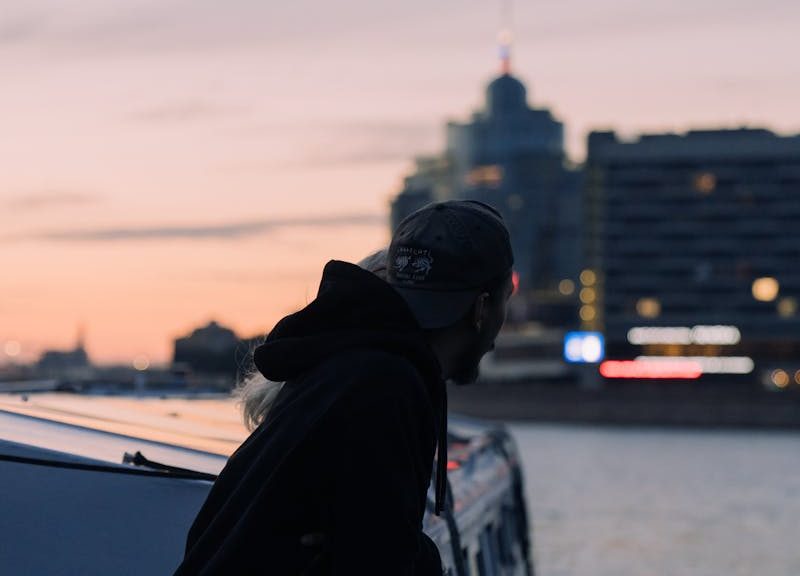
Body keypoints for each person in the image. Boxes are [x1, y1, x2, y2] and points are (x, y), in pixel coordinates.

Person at [173, 200, 514, 575]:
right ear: (482, 309)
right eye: (505, 302)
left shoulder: (346, 369)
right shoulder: (386, 387)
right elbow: (377, 560)